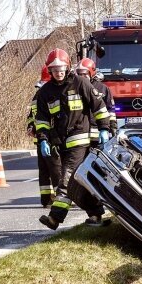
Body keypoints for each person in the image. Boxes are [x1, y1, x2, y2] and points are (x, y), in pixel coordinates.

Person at [35, 49, 112, 230]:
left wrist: (104, 128)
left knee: (66, 179)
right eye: (54, 69)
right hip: (60, 143)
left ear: (68, 66)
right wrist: (43, 139)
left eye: (61, 68)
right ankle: (95, 214)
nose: (58, 72)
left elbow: (99, 106)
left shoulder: (80, 83)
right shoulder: (45, 92)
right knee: (78, 182)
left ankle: (55, 218)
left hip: (79, 139)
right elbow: (42, 119)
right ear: (49, 70)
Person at [27, 65, 60, 208]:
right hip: (49, 138)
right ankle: (61, 199)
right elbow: (35, 116)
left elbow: (31, 117)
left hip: (41, 139)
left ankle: (46, 199)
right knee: (55, 170)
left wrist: (31, 126)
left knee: (45, 171)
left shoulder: (37, 95)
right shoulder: (47, 94)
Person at [75, 58, 118, 145]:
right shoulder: (74, 88)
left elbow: (110, 110)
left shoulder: (103, 88)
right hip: (80, 136)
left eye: (85, 74)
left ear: (92, 73)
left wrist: (113, 128)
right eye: (79, 74)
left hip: (98, 135)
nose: (82, 77)